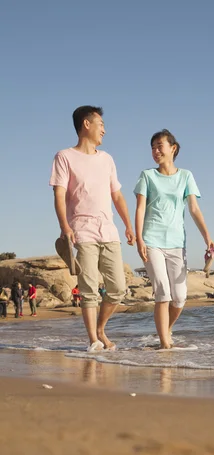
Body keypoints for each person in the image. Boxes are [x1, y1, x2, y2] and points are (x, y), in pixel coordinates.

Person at [50, 106, 135, 352]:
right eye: (101, 125)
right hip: (82, 230)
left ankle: (100, 328)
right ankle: (94, 340)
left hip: (109, 231)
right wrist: (64, 227)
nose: (104, 130)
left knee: (118, 288)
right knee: (88, 290)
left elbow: (117, 196)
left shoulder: (107, 159)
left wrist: (128, 225)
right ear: (86, 125)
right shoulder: (64, 157)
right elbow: (59, 194)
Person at [134, 129, 214, 349]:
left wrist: (207, 237)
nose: (155, 151)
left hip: (177, 243)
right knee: (162, 292)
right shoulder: (147, 176)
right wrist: (140, 239)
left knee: (179, 298)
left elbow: (194, 209)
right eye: (152, 147)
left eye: (160, 146)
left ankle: (165, 331)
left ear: (173, 148)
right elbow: (140, 209)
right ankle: (165, 345)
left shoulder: (186, 176)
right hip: (152, 240)